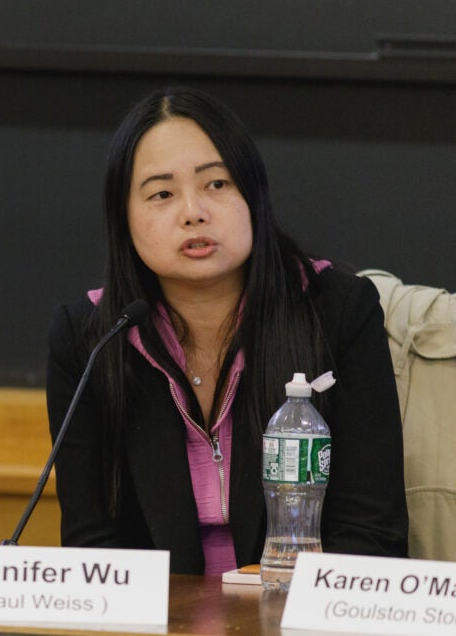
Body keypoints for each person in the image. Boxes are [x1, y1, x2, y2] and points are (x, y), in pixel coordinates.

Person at [46, 86, 408, 574]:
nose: (193, 211)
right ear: (123, 218)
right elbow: (94, 548)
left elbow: (371, 536)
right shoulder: (90, 339)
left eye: (216, 184)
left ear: (253, 194)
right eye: (162, 194)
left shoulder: (339, 312)